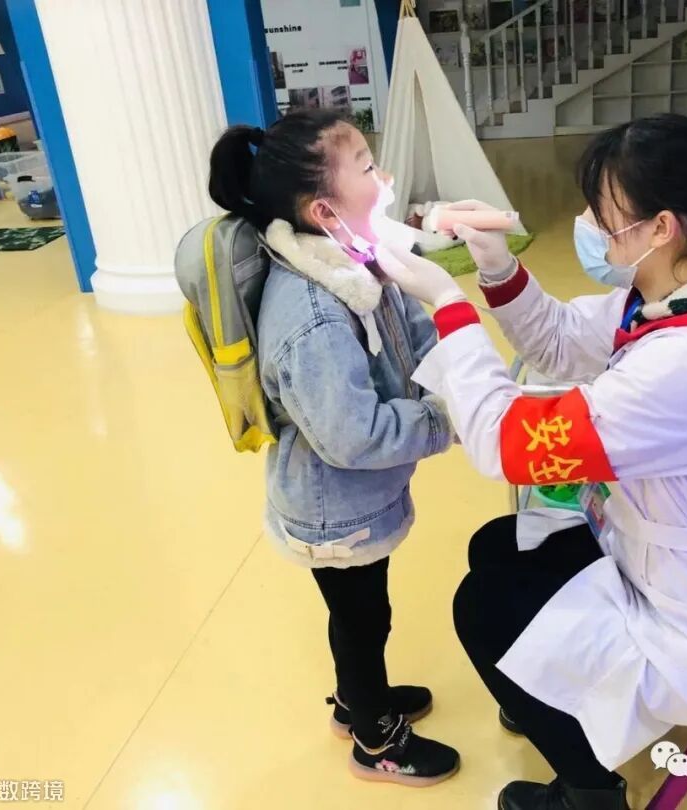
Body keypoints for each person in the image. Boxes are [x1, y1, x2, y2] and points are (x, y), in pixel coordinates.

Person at [374, 114, 687, 810]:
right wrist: (497, 267)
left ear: (660, 227)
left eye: (604, 216)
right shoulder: (686, 292)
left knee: (483, 608)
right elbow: (561, 340)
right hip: (673, 561)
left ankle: (589, 792)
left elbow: (509, 444)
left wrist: (450, 306)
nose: (590, 227)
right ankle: (545, 693)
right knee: (499, 547)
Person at [207, 110, 460, 787]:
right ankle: (375, 738)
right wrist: (444, 421)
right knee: (361, 617)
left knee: (363, 612)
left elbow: (409, 328)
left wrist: (460, 366)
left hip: (355, 496)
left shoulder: (350, 260)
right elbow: (354, 434)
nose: (386, 177)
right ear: (323, 209)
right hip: (332, 509)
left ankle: (357, 700)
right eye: (369, 168)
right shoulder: (313, 313)